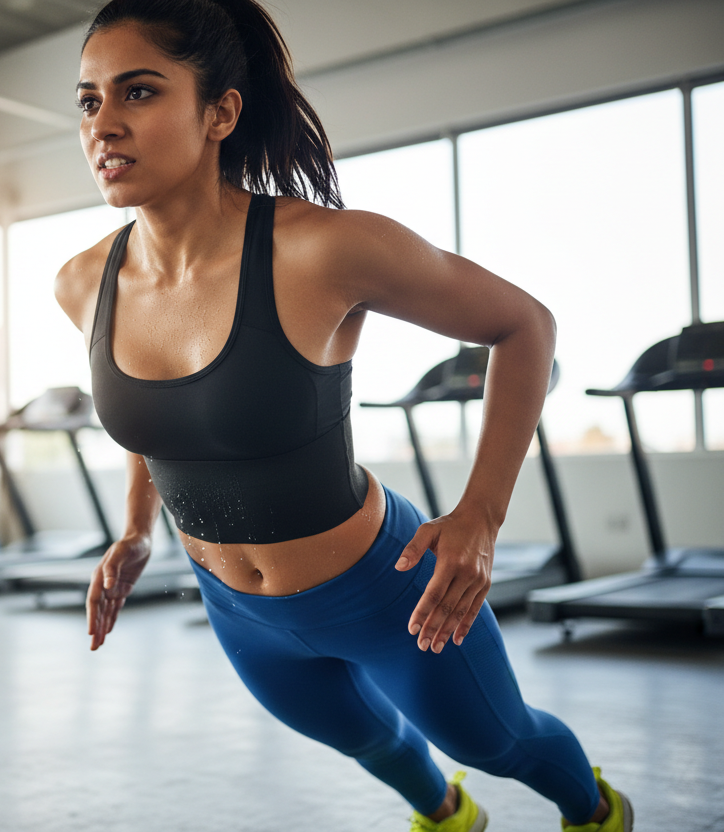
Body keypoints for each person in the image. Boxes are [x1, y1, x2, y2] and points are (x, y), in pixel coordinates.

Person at [52, 2, 633, 831]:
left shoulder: (321, 249)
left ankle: (598, 812)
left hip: (386, 595)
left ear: (220, 112)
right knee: (373, 746)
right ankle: (448, 817)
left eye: (137, 93)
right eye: (88, 100)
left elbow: (524, 325)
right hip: (239, 611)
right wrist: (136, 530)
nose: (103, 125)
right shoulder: (83, 283)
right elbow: (158, 420)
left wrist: (480, 517)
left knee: (503, 744)